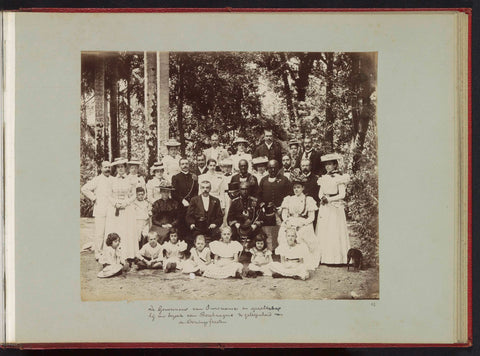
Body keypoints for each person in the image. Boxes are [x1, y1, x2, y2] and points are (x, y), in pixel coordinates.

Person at [277, 171, 319, 270]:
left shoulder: (308, 199)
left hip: (303, 222)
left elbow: (311, 217)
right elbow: (284, 214)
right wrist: (287, 222)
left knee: (303, 234)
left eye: (298, 187)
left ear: (303, 188)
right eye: (295, 188)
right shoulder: (288, 199)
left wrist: (303, 223)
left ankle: (301, 259)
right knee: (284, 233)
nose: (296, 189)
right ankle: (286, 258)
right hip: (290, 221)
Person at [315, 153, 351, 265]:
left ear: (335, 165)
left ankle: (336, 258)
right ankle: (323, 257)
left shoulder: (340, 178)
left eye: (330, 164)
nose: (327, 167)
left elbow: (342, 195)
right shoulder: (323, 178)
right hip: (325, 207)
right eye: (326, 165)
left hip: (335, 207)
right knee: (324, 230)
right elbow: (320, 193)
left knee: (334, 230)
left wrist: (329, 200)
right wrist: (323, 198)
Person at [103, 157, 138, 262]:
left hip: (127, 208)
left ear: (125, 168)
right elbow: (108, 195)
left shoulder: (131, 180)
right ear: (116, 169)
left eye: (122, 167)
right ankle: (113, 254)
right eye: (118, 167)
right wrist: (115, 203)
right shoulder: (111, 180)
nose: (120, 169)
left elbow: (134, 195)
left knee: (127, 230)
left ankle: (128, 255)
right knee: (116, 229)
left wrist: (126, 203)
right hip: (115, 208)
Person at [81, 160, 113, 259]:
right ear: (101, 168)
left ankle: (107, 252)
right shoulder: (97, 179)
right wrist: (94, 198)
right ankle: (98, 253)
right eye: (105, 167)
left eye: (109, 167)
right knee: (100, 233)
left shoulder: (113, 179)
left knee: (109, 232)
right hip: (100, 209)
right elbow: (84, 189)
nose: (107, 169)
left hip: (111, 210)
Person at [257, 160, 292, 251]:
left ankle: (283, 250)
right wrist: (263, 205)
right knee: (268, 232)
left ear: (278, 169)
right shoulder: (263, 180)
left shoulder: (284, 180)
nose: (272, 170)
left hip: (280, 210)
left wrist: (282, 207)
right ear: (267, 169)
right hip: (267, 211)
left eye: (274, 168)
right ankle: (269, 250)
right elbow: (259, 195)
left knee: (282, 230)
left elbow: (289, 195)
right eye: (270, 168)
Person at [227, 181, 263, 247]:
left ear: (249, 190)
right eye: (243, 189)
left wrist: (255, 225)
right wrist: (235, 223)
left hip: (251, 225)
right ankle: (235, 250)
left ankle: (252, 250)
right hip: (238, 225)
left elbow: (260, 215)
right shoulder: (235, 202)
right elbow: (230, 217)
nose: (245, 191)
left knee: (259, 233)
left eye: (246, 189)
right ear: (240, 190)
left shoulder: (254, 201)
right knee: (233, 233)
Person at [171, 158, 199, 236]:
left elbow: (196, 191)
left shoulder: (193, 177)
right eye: (182, 164)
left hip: (192, 206)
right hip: (180, 207)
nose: (185, 166)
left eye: (186, 164)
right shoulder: (175, 177)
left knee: (191, 226)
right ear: (180, 166)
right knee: (181, 227)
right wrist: (182, 200)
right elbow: (174, 193)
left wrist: (192, 202)